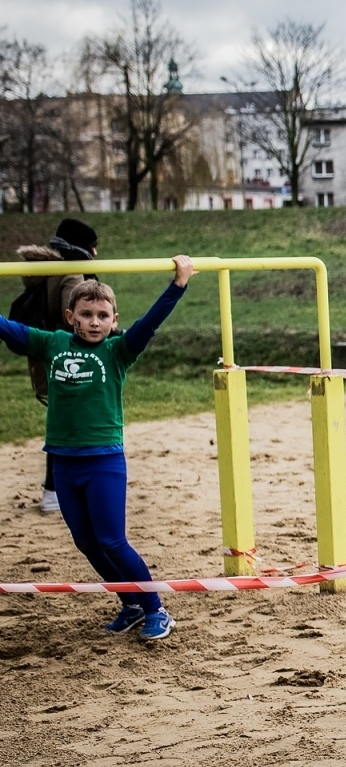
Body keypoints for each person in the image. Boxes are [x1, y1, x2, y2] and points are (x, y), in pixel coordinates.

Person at [0, 255, 194, 642]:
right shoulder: (51, 343)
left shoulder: (118, 351)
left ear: (114, 320)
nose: (94, 322)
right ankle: (132, 604)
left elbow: (151, 322)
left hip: (104, 460)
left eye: (102, 315)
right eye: (86, 314)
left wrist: (179, 284)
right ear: (71, 316)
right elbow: (7, 329)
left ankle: (156, 608)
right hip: (63, 461)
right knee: (86, 543)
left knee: (111, 540)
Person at [12, 217, 100, 513]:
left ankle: (56, 489)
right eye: (92, 247)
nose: (96, 254)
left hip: (47, 356)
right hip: (69, 358)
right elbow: (73, 318)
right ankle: (54, 490)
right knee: (72, 425)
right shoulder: (72, 274)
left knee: (63, 421)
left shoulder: (44, 271)